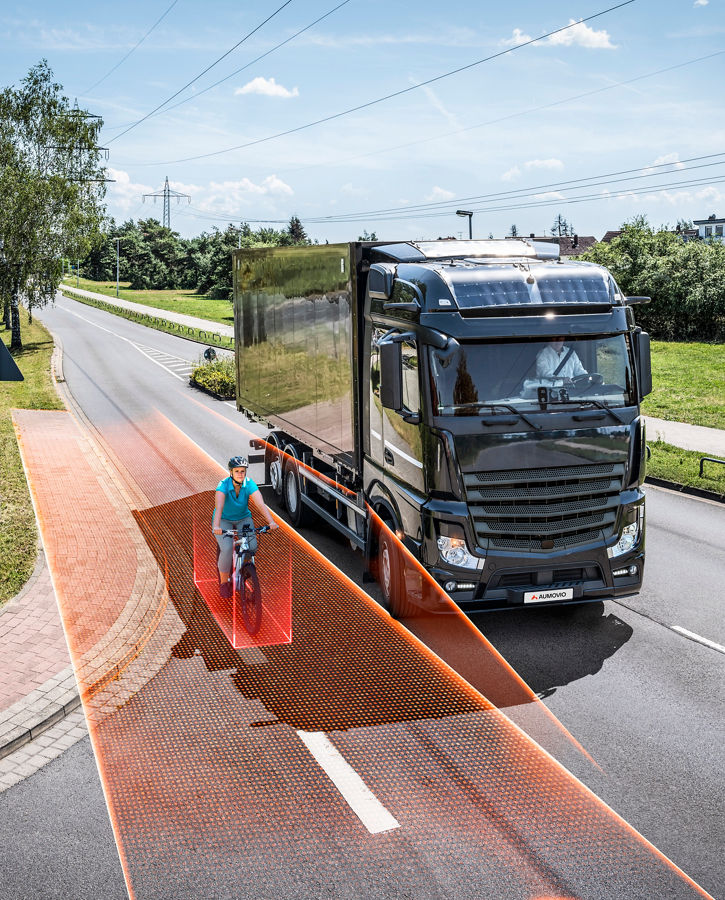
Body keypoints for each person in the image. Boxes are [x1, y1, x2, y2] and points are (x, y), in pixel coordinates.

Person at [212, 455, 278, 598]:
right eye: (237, 471)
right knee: (228, 548)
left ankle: (246, 570)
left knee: (252, 547)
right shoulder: (223, 485)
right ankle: (224, 583)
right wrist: (216, 525)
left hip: (243, 518)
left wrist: (271, 522)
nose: (241, 474)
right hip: (224, 520)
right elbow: (219, 507)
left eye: (243, 471)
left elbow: (260, 503)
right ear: (231, 472)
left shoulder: (249, 484)